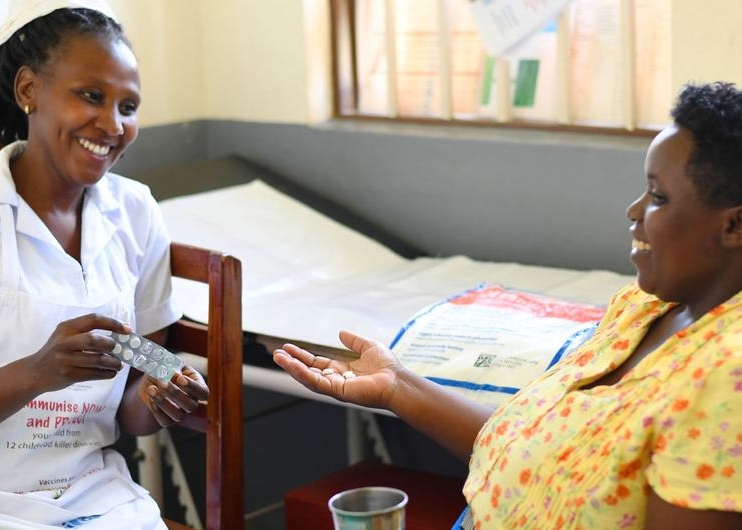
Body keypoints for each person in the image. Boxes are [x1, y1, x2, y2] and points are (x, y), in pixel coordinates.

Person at [273, 81, 742, 530]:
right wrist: (398, 386)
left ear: (733, 227)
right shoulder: (643, 307)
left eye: (658, 196)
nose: (634, 210)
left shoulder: (727, 379)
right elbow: (533, 445)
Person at [0, 1, 209, 528]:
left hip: (96, 497)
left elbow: (134, 405)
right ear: (29, 91)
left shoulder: (135, 211)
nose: (112, 124)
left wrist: (162, 396)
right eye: (91, 96)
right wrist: (38, 372)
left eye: (129, 105)